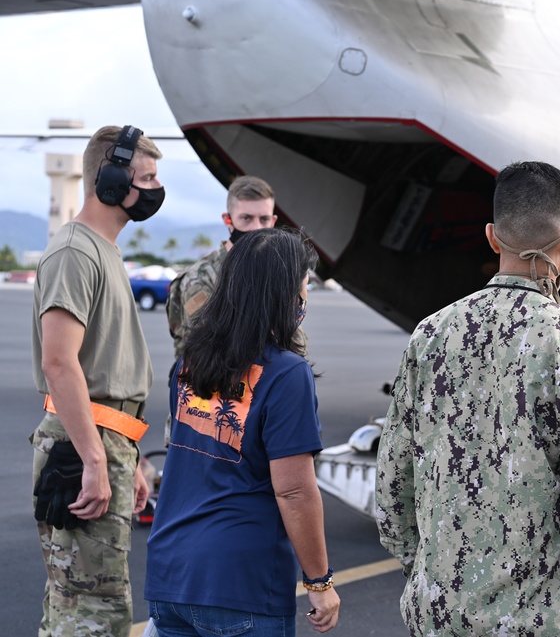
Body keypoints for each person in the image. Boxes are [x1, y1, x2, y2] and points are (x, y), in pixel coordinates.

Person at [375, 161, 560, 637]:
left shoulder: (431, 335)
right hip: (543, 617)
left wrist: (423, 570)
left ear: (493, 238)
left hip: (439, 613)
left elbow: (394, 477)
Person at [145, 228, 340, 635]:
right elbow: (294, 491)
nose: (305, 300)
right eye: (304, 288)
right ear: (283, 296)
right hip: (241, 584)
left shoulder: (187, 363)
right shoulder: (286, 374)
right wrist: (319, 581)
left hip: (169, 575)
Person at [30, 124, 165, 636]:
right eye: (146, 178)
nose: (154, 190)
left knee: (82, 606)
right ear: (110, 182)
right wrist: (93, 458)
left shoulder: (102, 249)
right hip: (84, 445)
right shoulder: (76, 253)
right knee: (92, 614)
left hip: (107, 439)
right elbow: (59, 363)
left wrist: (122, 456)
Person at [166, 174, 279, 360]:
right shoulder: (201, 278)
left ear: (273, 222)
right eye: (246, 218)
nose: (257, 229)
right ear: (228, 220)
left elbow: (295, 341)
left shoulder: (276, 272)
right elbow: (208, 347)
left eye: (264, 220)